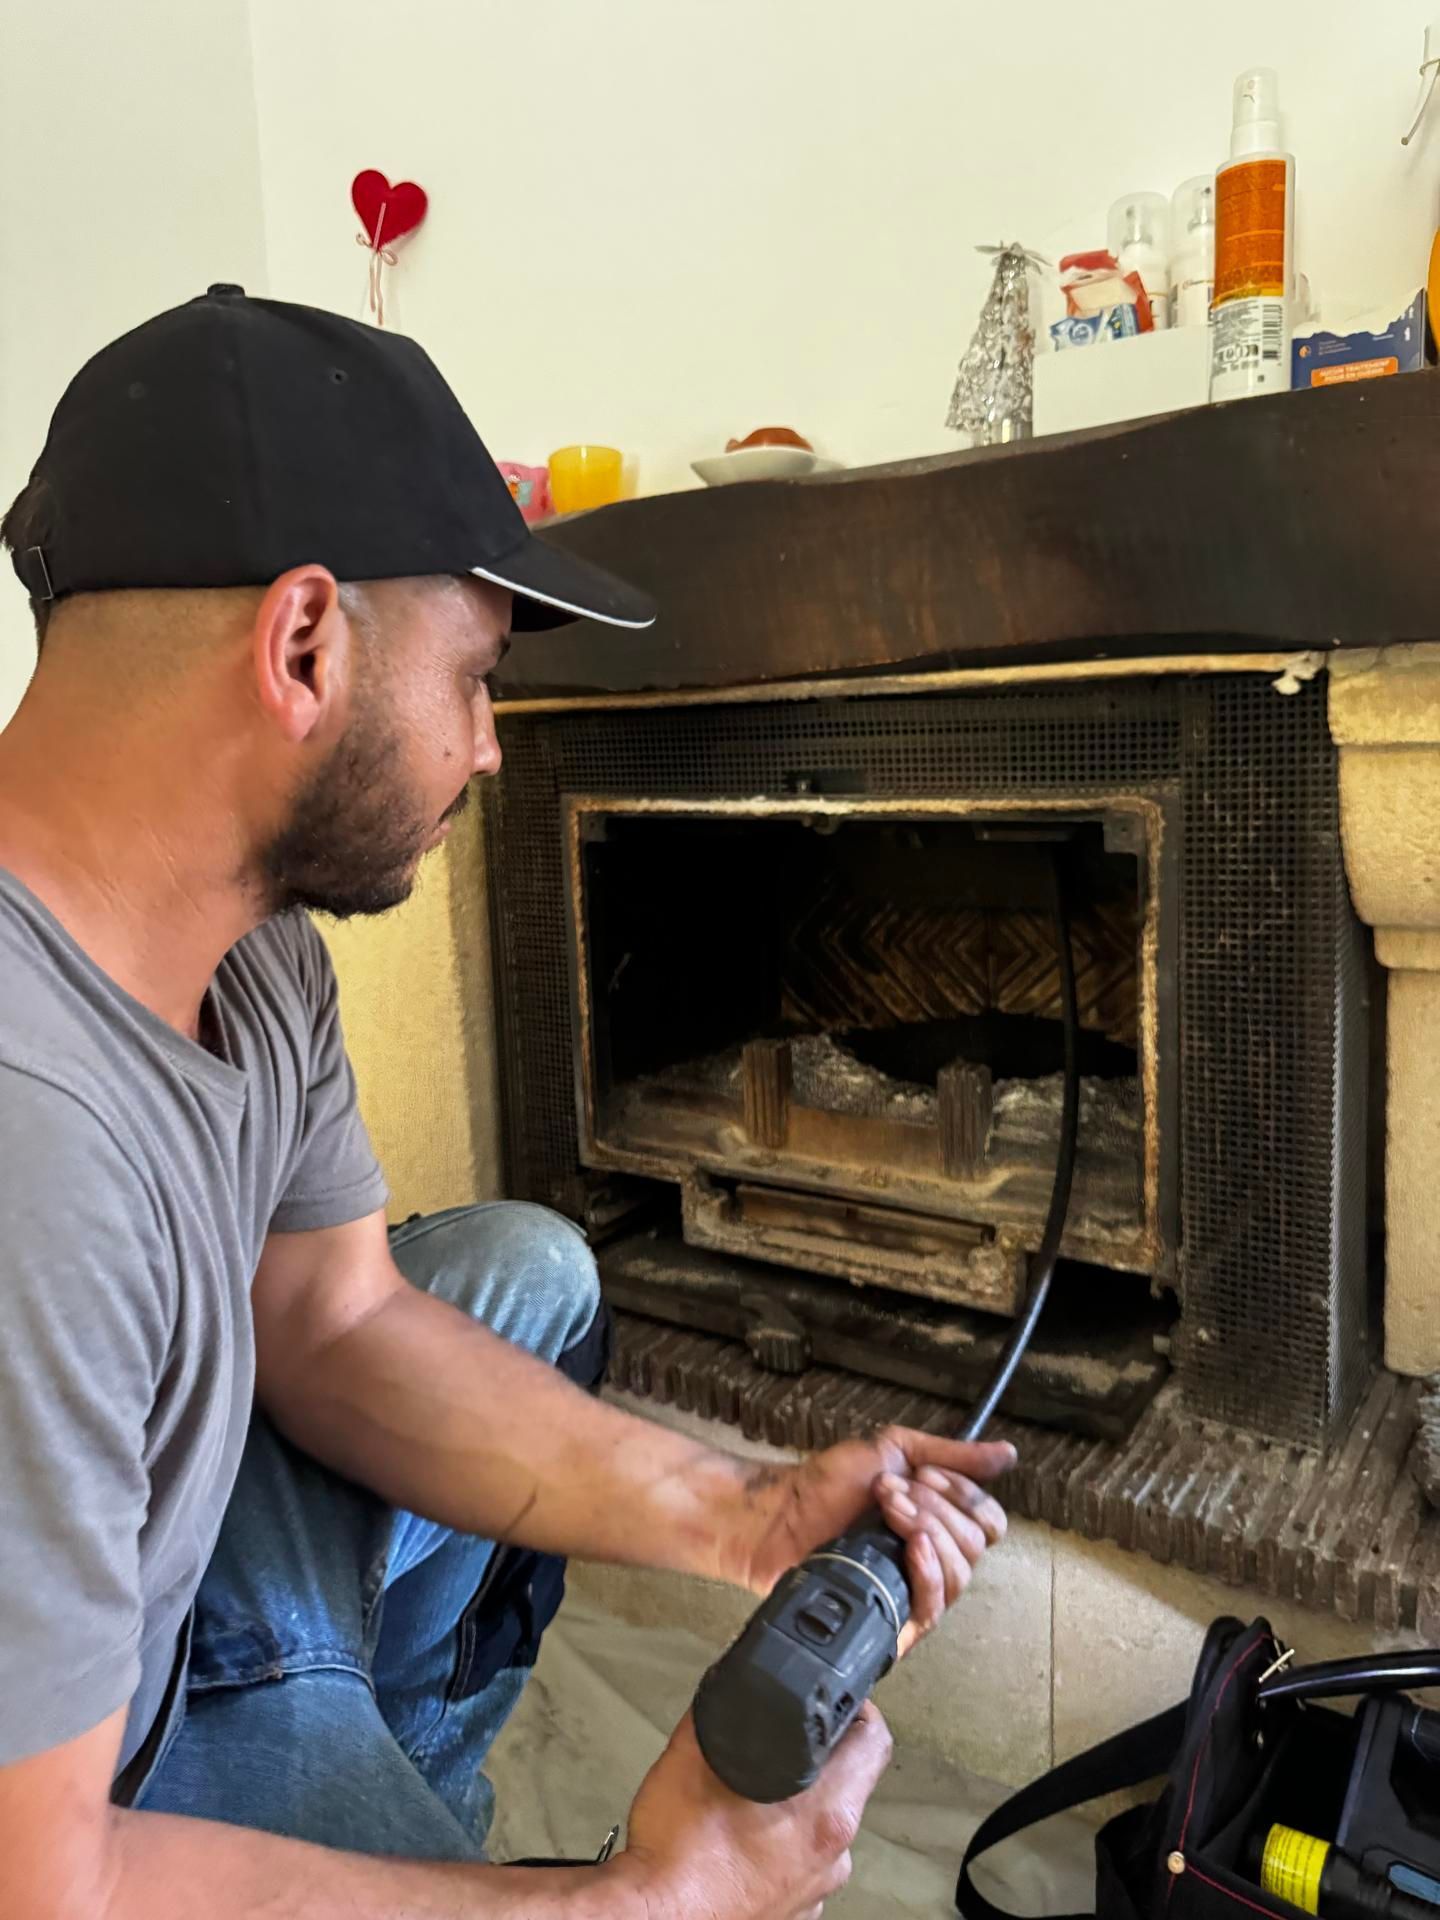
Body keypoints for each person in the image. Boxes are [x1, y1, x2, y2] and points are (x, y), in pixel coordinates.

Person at [0, 285, 1016, 1919]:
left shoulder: (250, 959)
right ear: (305, 644)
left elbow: (331, 1322)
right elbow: (37, 1888)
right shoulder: (29, 1150)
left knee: (527, 1272)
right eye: (477, 674)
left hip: (152, 1592)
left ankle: (366, 1759)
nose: (488, 750)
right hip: (68, 1807)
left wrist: (744, 1512)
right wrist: (634, 1903)